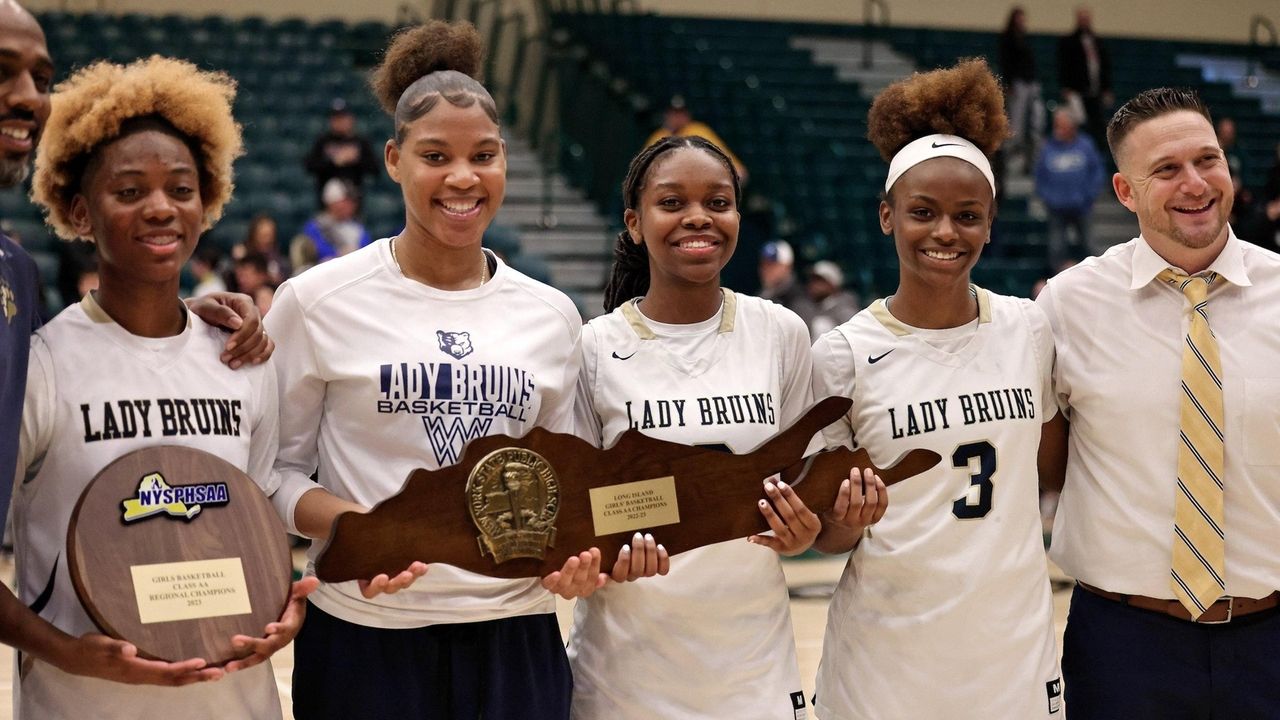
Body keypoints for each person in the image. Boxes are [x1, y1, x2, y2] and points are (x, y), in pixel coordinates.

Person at [265, 21, 611, 720]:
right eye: (435, 155)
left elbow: (565, 488)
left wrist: (575, 556)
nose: (462, 177)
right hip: (365, 634)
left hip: (515, 634)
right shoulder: (314, 301)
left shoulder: (550, 315)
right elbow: (271, 473)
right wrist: (362, 528)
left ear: (505, 162)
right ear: (393, 160)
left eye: (484, 155)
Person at [20, 54, 315, 719]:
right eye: (129, 191)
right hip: (86, 703)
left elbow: (258, 517)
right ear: (79, 211)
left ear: (206, 204)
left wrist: (285, 605)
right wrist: (63, 651)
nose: (160, 208)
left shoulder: (242, 355)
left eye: (181, 189)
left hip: (237, 702)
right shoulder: (44, 364)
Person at [567, 133, 862, 720]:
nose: (698, 217)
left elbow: (819, 507)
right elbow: (577, 517)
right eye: (672, 203)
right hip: (623, 678)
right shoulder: (595, 346)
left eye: (718, 202)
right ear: (634, 222)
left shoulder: (781, 333)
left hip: (752, 674)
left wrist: (809, 531)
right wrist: (599, 557)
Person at [811, 59, 1062, 719]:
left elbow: (1056, 465)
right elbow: (828, 536)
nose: (945, 233)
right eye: (923, 213)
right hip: (885, 662)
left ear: (990, 221)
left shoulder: (1029, 330)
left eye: (966, 215)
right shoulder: (842, 356)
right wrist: (845, 516)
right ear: (888, 215)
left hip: (1013, 653)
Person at [1038, 87, 1280, 717]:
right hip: (1124, 643)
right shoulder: (1068, 305)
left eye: (1208, 160)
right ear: (1124, 191)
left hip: (1272, 635)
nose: (1195, 184)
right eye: (1167, 170)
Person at [1034, 108, 1106, 268]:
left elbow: (1097, 172)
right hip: (1056, 207)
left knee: (1089, 244)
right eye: (1056, 125)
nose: (1057, 130)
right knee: (1056, 247)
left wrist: (1090, 195)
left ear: (1072, 128)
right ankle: (1056, 282)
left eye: (1061, 126)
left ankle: (1097, 277)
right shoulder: (1048, 147)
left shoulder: (1086, 145)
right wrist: (1047, 197)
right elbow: (1039, 176)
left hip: (1082, 206)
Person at [644, 96, 747, 182]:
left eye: (681, 113)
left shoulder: (699, 131)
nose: (677, 117)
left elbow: (735, 168)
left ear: (688, 115)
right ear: (666, 115)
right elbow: (643, 170)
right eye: (674, 113)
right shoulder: (658, 136)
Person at [302, 97, 379, 209]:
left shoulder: (360, 141)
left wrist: (356, 159)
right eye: (336, 118)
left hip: (354, 205)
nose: (340, 121)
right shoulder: (323, 141)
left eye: (343, 117)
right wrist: (334, 161)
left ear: (351, 119)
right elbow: (310, 166)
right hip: (326, 207)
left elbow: (375, 169)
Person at [1057, 6, 1113, 146]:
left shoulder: (1096, 41)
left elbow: (1104, 66)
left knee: (1098, 125)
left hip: (1095, 91)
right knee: (1080, 122)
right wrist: (1066, 87)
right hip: (1077, 90)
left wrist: (1106, 88)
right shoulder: (1069, 41)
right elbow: (1064, 64)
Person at [998, 5, 1045, 172]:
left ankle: (1028, 151)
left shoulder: (1025, 37)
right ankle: (1013, 148)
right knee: (1016, 119)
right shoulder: (1008, 38)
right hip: (1018, 83)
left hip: (1029, 82)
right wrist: (1010, 83)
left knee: (1034, 119)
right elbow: (1006, 62)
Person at [294, 177, 372, 262]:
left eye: (353, 201)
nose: (352, 205)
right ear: (332, 202)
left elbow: (367, 252)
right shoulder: (315, 227)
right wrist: (340, 254)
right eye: (346, 200)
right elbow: (315, 254)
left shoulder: (358, 227)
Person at [758, 239, 814, 322]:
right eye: (763, 264)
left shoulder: (798, 299)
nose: (766, 269)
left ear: (787, 267)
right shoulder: (763, 295)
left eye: (772, 264)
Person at [805, 259, 860, 339]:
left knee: (821, 325)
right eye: (812, 280)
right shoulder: (809, 306)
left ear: (832, 284)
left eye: (819, 281)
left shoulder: (845, 308)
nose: (813, 285)